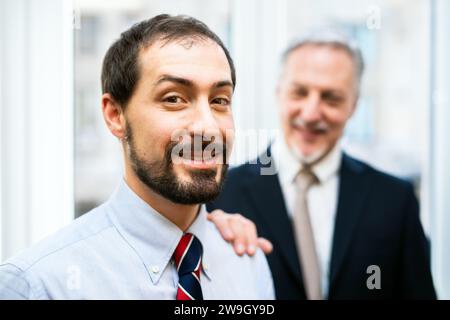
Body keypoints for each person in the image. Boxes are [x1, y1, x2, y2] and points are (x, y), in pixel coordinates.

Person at [0, 14, 274, 300]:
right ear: (115, 115)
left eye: (220, 101)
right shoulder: (36, 286)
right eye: (173, 99)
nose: (208, 128)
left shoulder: (248, 264)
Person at [208, 30, 436, 299]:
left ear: (353, 106)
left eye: (331, 98)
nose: (311, 113)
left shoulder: (395, 201)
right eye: (299, 93)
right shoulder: (219, 194)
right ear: (279, 93)